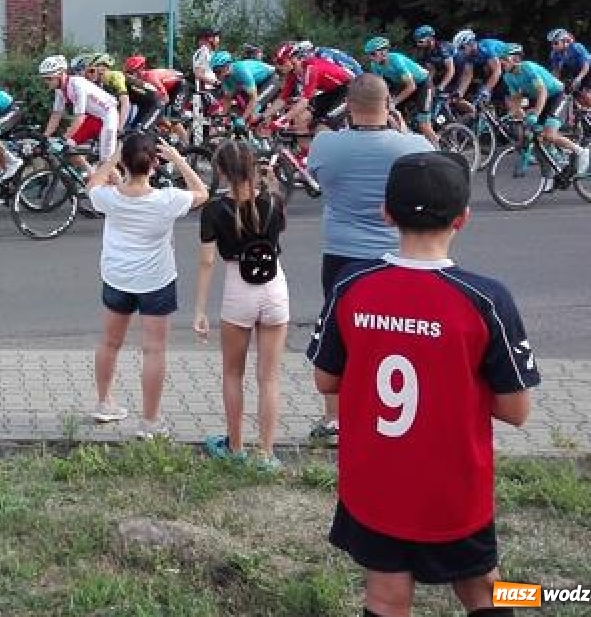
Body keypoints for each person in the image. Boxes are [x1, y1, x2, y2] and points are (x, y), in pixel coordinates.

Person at [311, 151, 538, 617]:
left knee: (386, 597)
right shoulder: (486, 298)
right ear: (463, 218)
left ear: (386, 214)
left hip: (374, 482)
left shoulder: (351, 284)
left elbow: (326, 378)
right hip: (453, 488)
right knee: (486, 589)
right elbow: (516, 411)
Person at [304, 75, 433, 445]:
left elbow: (316, 174)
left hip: (342, 255)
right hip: (395, 254)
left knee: (339, 332)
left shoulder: (327, 145)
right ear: (389, 104)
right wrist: (402, 130)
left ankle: (335, 419)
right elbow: (436, 167)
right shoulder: (411, 147)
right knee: (394, 332)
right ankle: (392, 411)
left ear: (348, 105)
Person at [85, 131, 210, 435]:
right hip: (156, 280)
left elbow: (92, 184)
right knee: (154, 350)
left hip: (117, 277)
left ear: (124, 163)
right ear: (154, 163)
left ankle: (104, 403)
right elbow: (202, 192)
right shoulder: (168, 199)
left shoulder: (109, 198)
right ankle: (150, 421)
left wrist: (114, 157)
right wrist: (179, 159)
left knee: (109, 342)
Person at [192, 140, 288, 470]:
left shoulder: (214, 211)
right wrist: (271, 184)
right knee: (269, 378)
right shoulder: (274, 201)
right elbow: (277, 227)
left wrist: (200, 309)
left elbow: (207, 262)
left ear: (220, 171)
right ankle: (266, 453)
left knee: (233, 374)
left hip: (238, 291)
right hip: (275, 287)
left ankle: (235, 447)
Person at [498, 45, 589, 179]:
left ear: (516, 59)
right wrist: (511, 115)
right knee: (538, 136)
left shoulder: (527, 68)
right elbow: (516, 99)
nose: (501, 62)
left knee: (549, 134)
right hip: (539, 99)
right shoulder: (508, 77)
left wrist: (535, 114)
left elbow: (543, 91)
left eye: (504, 59)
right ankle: (553, 166)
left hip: (556, 95)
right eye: (500, 60)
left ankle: (581, 152)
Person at [39, 54, 120, 168]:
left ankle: (115, 180)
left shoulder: (77, 84)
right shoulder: (59, 90)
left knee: (106, 164)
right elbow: (56, 115)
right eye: (44, 79)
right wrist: (44, 137)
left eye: (49, 78)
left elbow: (79, 118)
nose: (46, 82)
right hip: (93, 118)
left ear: (61, 74)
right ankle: (91, 175)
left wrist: (63, 138)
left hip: (108, 117)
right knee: (68, 148)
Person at [364, 37, 435, 143]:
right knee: (392, 114)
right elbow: (382, 86)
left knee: (423, 124)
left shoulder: (396, 60)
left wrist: (394, 102)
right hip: (403, 84)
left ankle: (437, 146)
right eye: (369, 55)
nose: (371, 58)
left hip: (423, 83)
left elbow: (411, 86)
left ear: (384, 52)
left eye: (373, 54)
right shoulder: (374, 65)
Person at [545, 28, 591, 132]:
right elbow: (556, 72)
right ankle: (584, 114)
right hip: (575, 69)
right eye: (552, 43)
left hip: (590, 69)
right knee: (573, 93)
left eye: (556, 43)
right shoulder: (554, 53)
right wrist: (552, 84)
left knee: (586, 94)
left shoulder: (576, 47)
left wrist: (578, 79)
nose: (553, 46)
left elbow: (586, 66)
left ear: (565, 41)